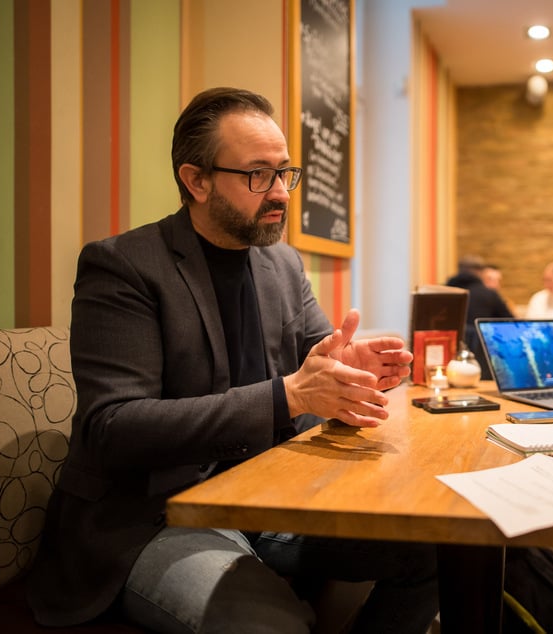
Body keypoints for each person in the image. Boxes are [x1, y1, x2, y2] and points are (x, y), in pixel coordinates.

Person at [27, 87, 438, 633]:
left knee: (438, 548)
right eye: (257, 175)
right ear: (196, 180)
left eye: (284, 173)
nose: (281, 193)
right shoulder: (123, 267)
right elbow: (113, 427)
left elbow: (317, 364)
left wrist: (350, 369)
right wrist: (288, 395)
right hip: (155, 517)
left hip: (267, 498)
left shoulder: (282, 264)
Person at [445, 254, 514, 378]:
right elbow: (510, 323)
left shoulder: (445, 292)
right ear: (480, 272)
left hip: (448, 361)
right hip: (481, 365)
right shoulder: (489, 295)